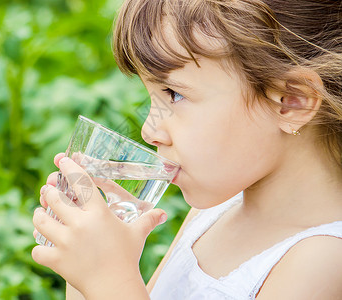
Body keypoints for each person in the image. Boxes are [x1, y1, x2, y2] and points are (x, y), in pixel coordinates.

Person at [32, 0, 342, 298]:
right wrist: (90, 268)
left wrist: (109, 279)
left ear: (291, 102)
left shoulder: (323, 262)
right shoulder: (213, 214)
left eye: (174, 94)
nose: (149, 130)